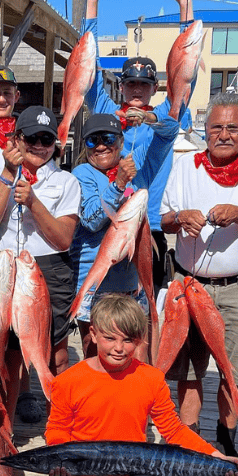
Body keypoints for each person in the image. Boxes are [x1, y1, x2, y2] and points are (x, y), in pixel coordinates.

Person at [46, 294, 238, 476]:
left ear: (139, 341)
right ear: (92, 333)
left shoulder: (150, 378)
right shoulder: (68, 381)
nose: (119, 348)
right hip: (84, 475)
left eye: (128, 340)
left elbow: (173, 429)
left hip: (132, 469)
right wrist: (59, 462)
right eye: (110, 338)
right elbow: (57, 429)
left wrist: (214, 456)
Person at [159, 93, 238, 456]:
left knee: (234, 371)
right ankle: (189, 436)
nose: (223, 134)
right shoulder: (186, 165)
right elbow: (165, 219)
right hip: (189, 284)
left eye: (232, 128)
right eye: (216, 127)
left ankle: (226, 436)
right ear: (204, 130)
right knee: (188, 368)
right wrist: (181, 218)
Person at [83, 0, 197, 290]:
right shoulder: (106, 113)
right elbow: (87, 71)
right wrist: (92, 5)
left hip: (152, 225)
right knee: (108, 306)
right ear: (121, 86)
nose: (136, 90)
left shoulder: (164, 116)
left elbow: (185, 75)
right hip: (110, 221)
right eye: (130, 83)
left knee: (149, 309)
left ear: (154, 89)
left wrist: (185, 11)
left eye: (143, 85)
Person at [0, 105, 81, 424]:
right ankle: (4, 429)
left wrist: (34, 203)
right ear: (16, 139)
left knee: (57, 354)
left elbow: (63, 239)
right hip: (6, 267)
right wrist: (8, 176)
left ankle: (63, 427)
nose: (40, 146)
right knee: (8, 355)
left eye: (47, 139)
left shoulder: (67, 181)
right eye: (32, 138)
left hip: (50, 268)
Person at [70, 108, 168, 356]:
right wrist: (118, 185)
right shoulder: (82, 174)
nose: (101, 146)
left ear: (121, 141)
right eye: (93, 140)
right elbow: (91, 219)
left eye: (109, 139)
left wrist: (148, 118)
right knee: (95, 356)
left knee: (137, 357)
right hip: (95, 284)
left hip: (132, 285)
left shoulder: (136, 168)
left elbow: (169, 134)